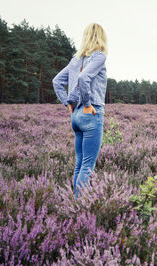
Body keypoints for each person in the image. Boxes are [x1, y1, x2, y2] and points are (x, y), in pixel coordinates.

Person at [53, 23, 108, 199]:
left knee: (80, 163)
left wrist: (67, 103)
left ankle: (74, 201)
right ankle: (79, 204)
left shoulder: (75, 60)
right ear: (101, 37)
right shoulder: (98, 56)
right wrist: (87, 104)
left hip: (76, 116)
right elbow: (84, 78)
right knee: (87, 165)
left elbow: (56, 82)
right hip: (90, 114)